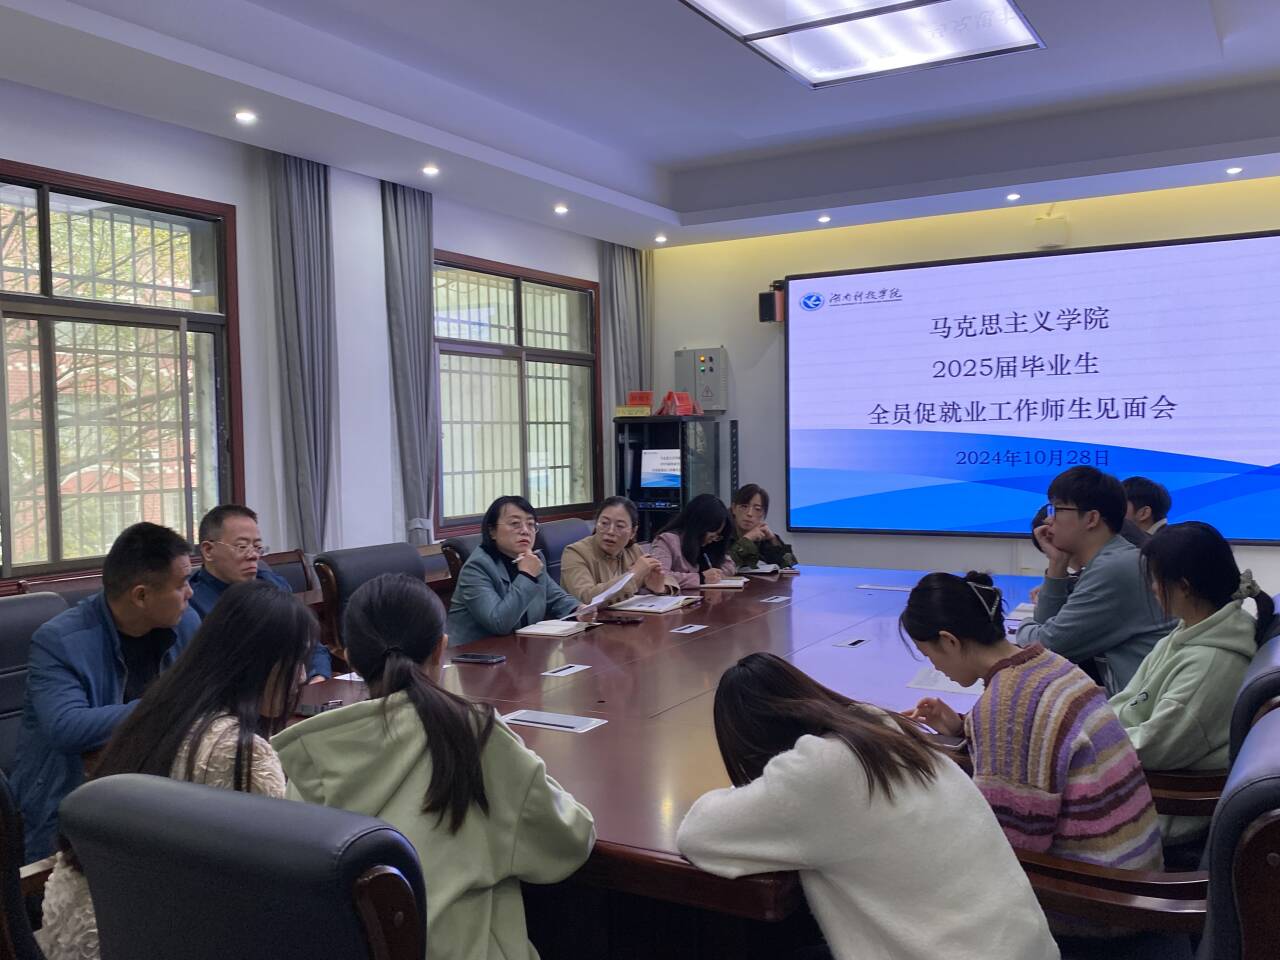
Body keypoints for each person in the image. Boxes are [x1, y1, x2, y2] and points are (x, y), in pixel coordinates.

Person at [275, 574, 595, 960]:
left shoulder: (313, 752)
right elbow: (568, 841)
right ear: (441, 649)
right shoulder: (474, 735)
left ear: (350, 658)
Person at [676, 653, 1057, 960]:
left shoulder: (817, 774)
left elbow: (697, 835)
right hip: (1027, 947)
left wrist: (763, 788)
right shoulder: (881, 729)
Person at [36, 580, 316, 960]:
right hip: (142, 938)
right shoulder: (243, 752)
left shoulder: (157, 712)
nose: (302, 676)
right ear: (259, 662)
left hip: (72, 934)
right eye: (296, 662)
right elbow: (278, 888)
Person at [902, 572, 1163, 872]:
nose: (935, 666)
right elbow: (1033, 746)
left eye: (928, 654)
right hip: (1133, 855)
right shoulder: (1047, 662)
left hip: (1101, 883)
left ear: (949, 641)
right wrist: (962, 729)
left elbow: (1011, 842)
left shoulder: (1005, 705)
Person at [11, 522, 201, 860]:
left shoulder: (185, 623)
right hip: (68, 802)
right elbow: (67, 727)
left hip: (155, 788)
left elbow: (204, 693)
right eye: (181, 584)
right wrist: (165, 704)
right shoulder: (59, 641)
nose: (190, 594)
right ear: (141, 595)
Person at [1111, 522, 1275, 845]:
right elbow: (1129, 699)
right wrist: (1092, 728)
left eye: (1156, 579)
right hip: (1141, 781)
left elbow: (1153, 747)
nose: (1153, 588)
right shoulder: (1191, 630)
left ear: (1184, 586)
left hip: (1164, 814)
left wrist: (1091, 740)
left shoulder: (1211, 662)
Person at [1016, 467, 1175, 694]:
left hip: (1141, 709)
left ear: (1091, 518)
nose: (1049, 520)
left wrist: (1023, 626)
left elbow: (1048, 648)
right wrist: (1057, 564)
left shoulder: (1114, 568)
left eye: (1058, 509)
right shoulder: (1109, 560)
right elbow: (1048, 633)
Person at [189, 503, 331, 681]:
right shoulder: (190, 603)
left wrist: (318, 677)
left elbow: (310, 645)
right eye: (242, 547)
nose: (253, 555)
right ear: (208, 550)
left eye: (257, 547)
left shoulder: (273, 584)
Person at [446, 496, 588, 647]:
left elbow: (555, 598)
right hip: (475, 654)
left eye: (531, 524)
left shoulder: (533, 558)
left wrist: (578, 609)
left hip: (520, 649)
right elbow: (498, 623)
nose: (525, 531)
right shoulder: (477, 567)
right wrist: (527, 576)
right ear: (492, 531)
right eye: (515, 524)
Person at [560, 496, 677, 605]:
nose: (610, 531)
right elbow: (586, 598)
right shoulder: (575, 552)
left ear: (633, 532)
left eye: (620, 526)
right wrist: (632, 576)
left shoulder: (633, 550)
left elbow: (667, 578)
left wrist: (660, 587)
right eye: (604, 523)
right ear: (596, 524)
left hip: (625, 617)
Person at [650, 493, 736, 589]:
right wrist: (701, 578)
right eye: (712, 536)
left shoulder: (710, 545)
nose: (713, 540)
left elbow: (729, 566)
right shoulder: (667, 541)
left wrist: (717, 574)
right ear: (699, 526)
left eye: (717, 536)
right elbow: (659, 577)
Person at [727, 484, 798, 571]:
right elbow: (725, 566)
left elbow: (790, 564)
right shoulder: (721, 533)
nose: (749, 513)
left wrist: (773, 540)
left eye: (757, 509)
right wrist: (747, 539)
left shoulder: (762, 536)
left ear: (763, 514)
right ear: (734, 508)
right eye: (744, 506)